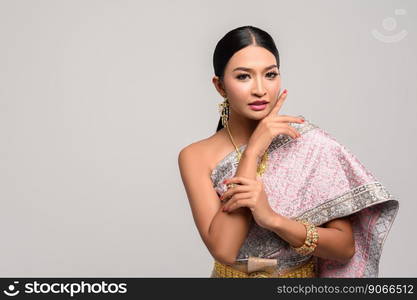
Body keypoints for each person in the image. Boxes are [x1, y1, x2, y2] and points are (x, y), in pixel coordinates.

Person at [178, 25, 399, 278]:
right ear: (220, 86)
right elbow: (224, 250)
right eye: (243, 77)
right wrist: (253, 152)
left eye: (270, 74)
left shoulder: (312, 145)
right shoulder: (195, 156)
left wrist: (273, 220)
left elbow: (344, 247)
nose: (260, 89)